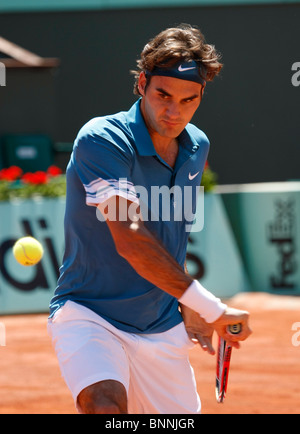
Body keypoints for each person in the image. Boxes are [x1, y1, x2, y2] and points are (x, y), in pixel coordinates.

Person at [48, 24, 251, 414]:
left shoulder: (197, 146)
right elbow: (132, 238)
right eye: (163, 95)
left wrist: (185, 302)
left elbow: (171, 234)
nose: (174, 112)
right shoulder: (102, 138)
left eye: (189, 100)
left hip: (161, 324)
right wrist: (209, 305)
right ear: (142, 83)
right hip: (90, 314)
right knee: (105, 405)